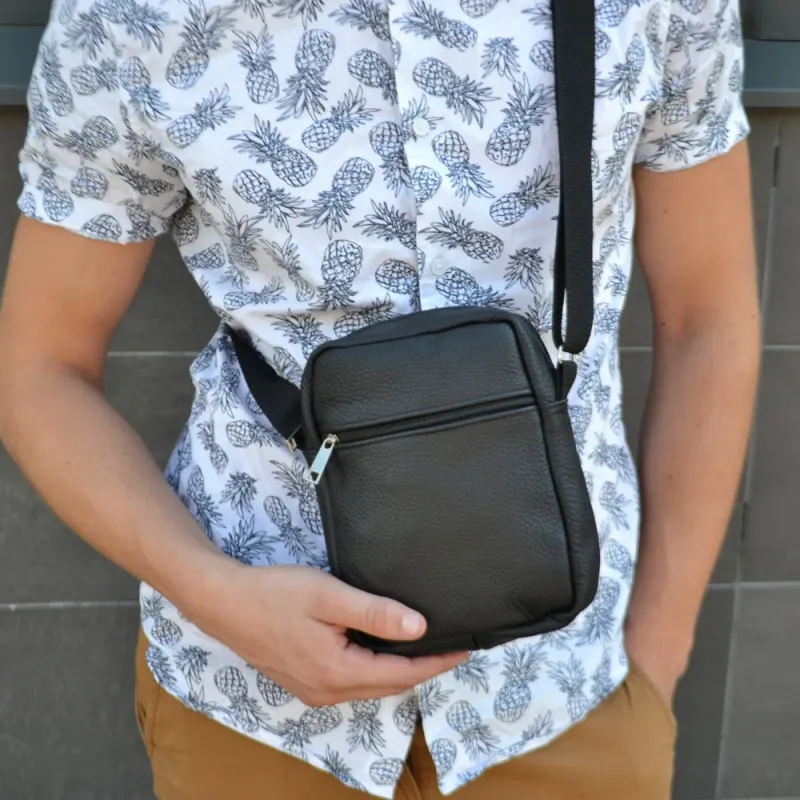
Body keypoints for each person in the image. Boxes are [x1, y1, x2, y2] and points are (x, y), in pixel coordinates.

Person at [0, 0, 760, 796]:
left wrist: (657, 662)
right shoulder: (129, 17)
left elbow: (708, 319)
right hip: (253, 708)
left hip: (568, 697)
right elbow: (41, 367)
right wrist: (214, 597)